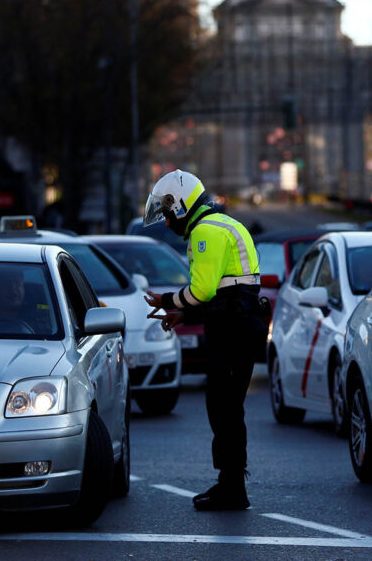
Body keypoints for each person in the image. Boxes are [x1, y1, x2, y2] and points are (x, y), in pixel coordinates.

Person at [141, 169, 267, 511]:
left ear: (180, 206)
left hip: (232, 333)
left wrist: (167, 302)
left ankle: (233, 489)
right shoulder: (226, 224)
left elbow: (204, 290)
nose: (167, 223)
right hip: (237, 327)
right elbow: (226, 293)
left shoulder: (205, 231)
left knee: (224, 409)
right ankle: (229, 484)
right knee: (226, 408)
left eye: (168, 215)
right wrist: (186, 314)